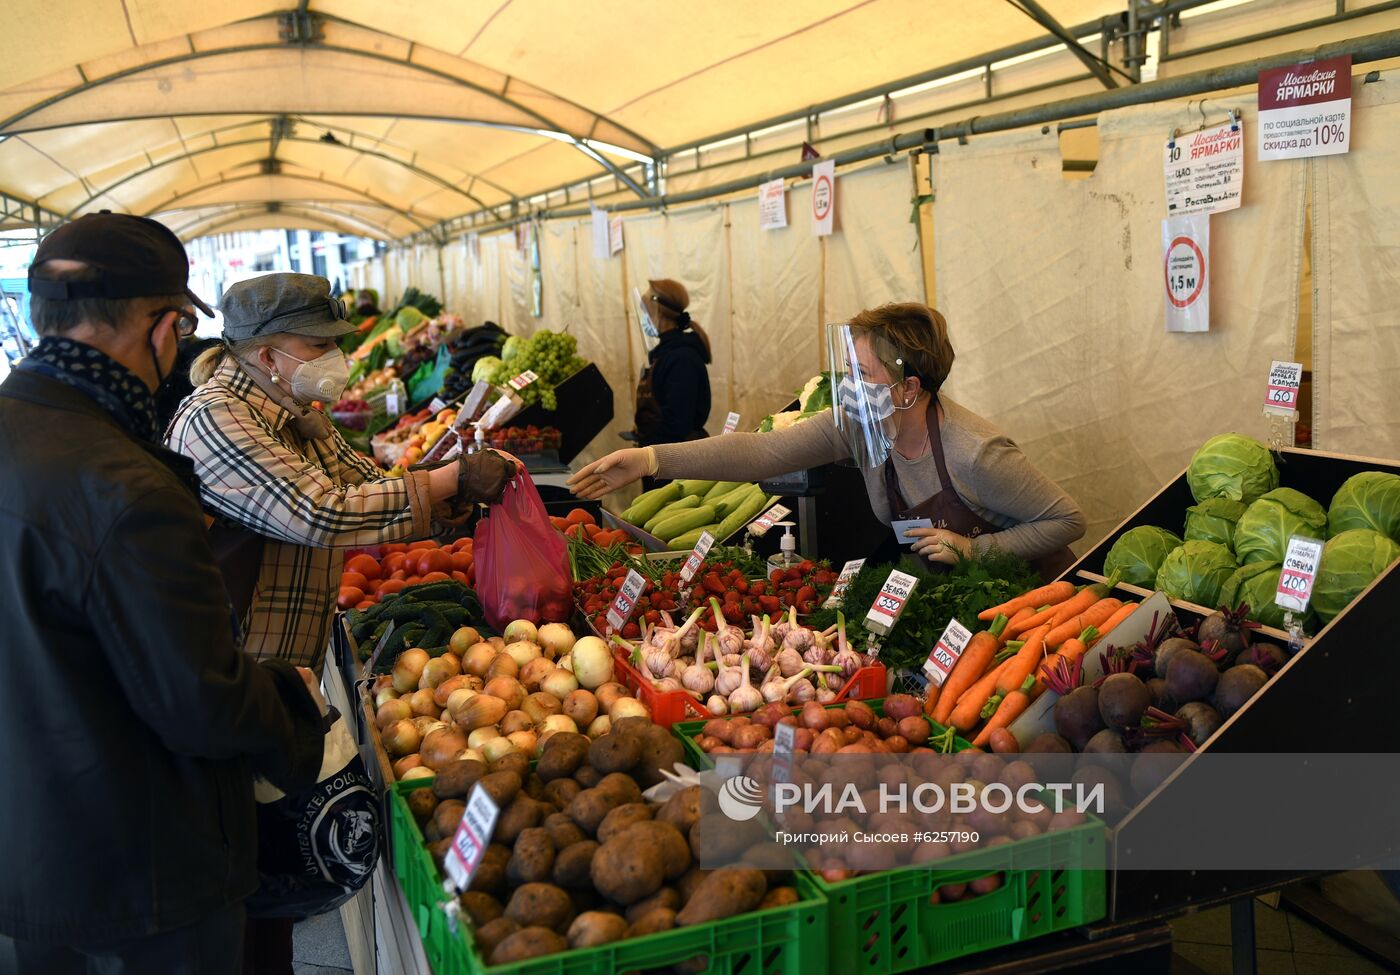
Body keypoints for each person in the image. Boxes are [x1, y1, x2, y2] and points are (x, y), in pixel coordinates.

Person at [0, 212, 327, 974]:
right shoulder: (128, 483)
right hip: (143, 871)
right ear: (157, 324)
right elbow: (200, 698)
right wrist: (293, 701)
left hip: (32, 847)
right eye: (179, 327)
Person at [573, 302, 1085, 578]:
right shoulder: (859, 422)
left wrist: (977, 550)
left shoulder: (976, 453)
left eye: (862, 373)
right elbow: (760, 451)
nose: (848, 386)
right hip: (943, 592)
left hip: (1023, 599)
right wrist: (649, 459)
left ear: (908, 389)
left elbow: (1067, 521)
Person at [167, 273, 516, 675]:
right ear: (267, 357)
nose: (336, 354)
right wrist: (451, 478)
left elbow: (363, 481)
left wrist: (443, 498)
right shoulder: (215, 417)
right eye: (320, 344)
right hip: (232, 671)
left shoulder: (294, 407)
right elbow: (320, 513)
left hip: (286, 667)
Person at [632, 279, 711, 445]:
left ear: (659, 313)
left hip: (677, 461)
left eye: (645, 311)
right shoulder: (664, 353)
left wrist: (645, 451)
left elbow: (677, 425)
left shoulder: (682, 359)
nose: (642, 318)